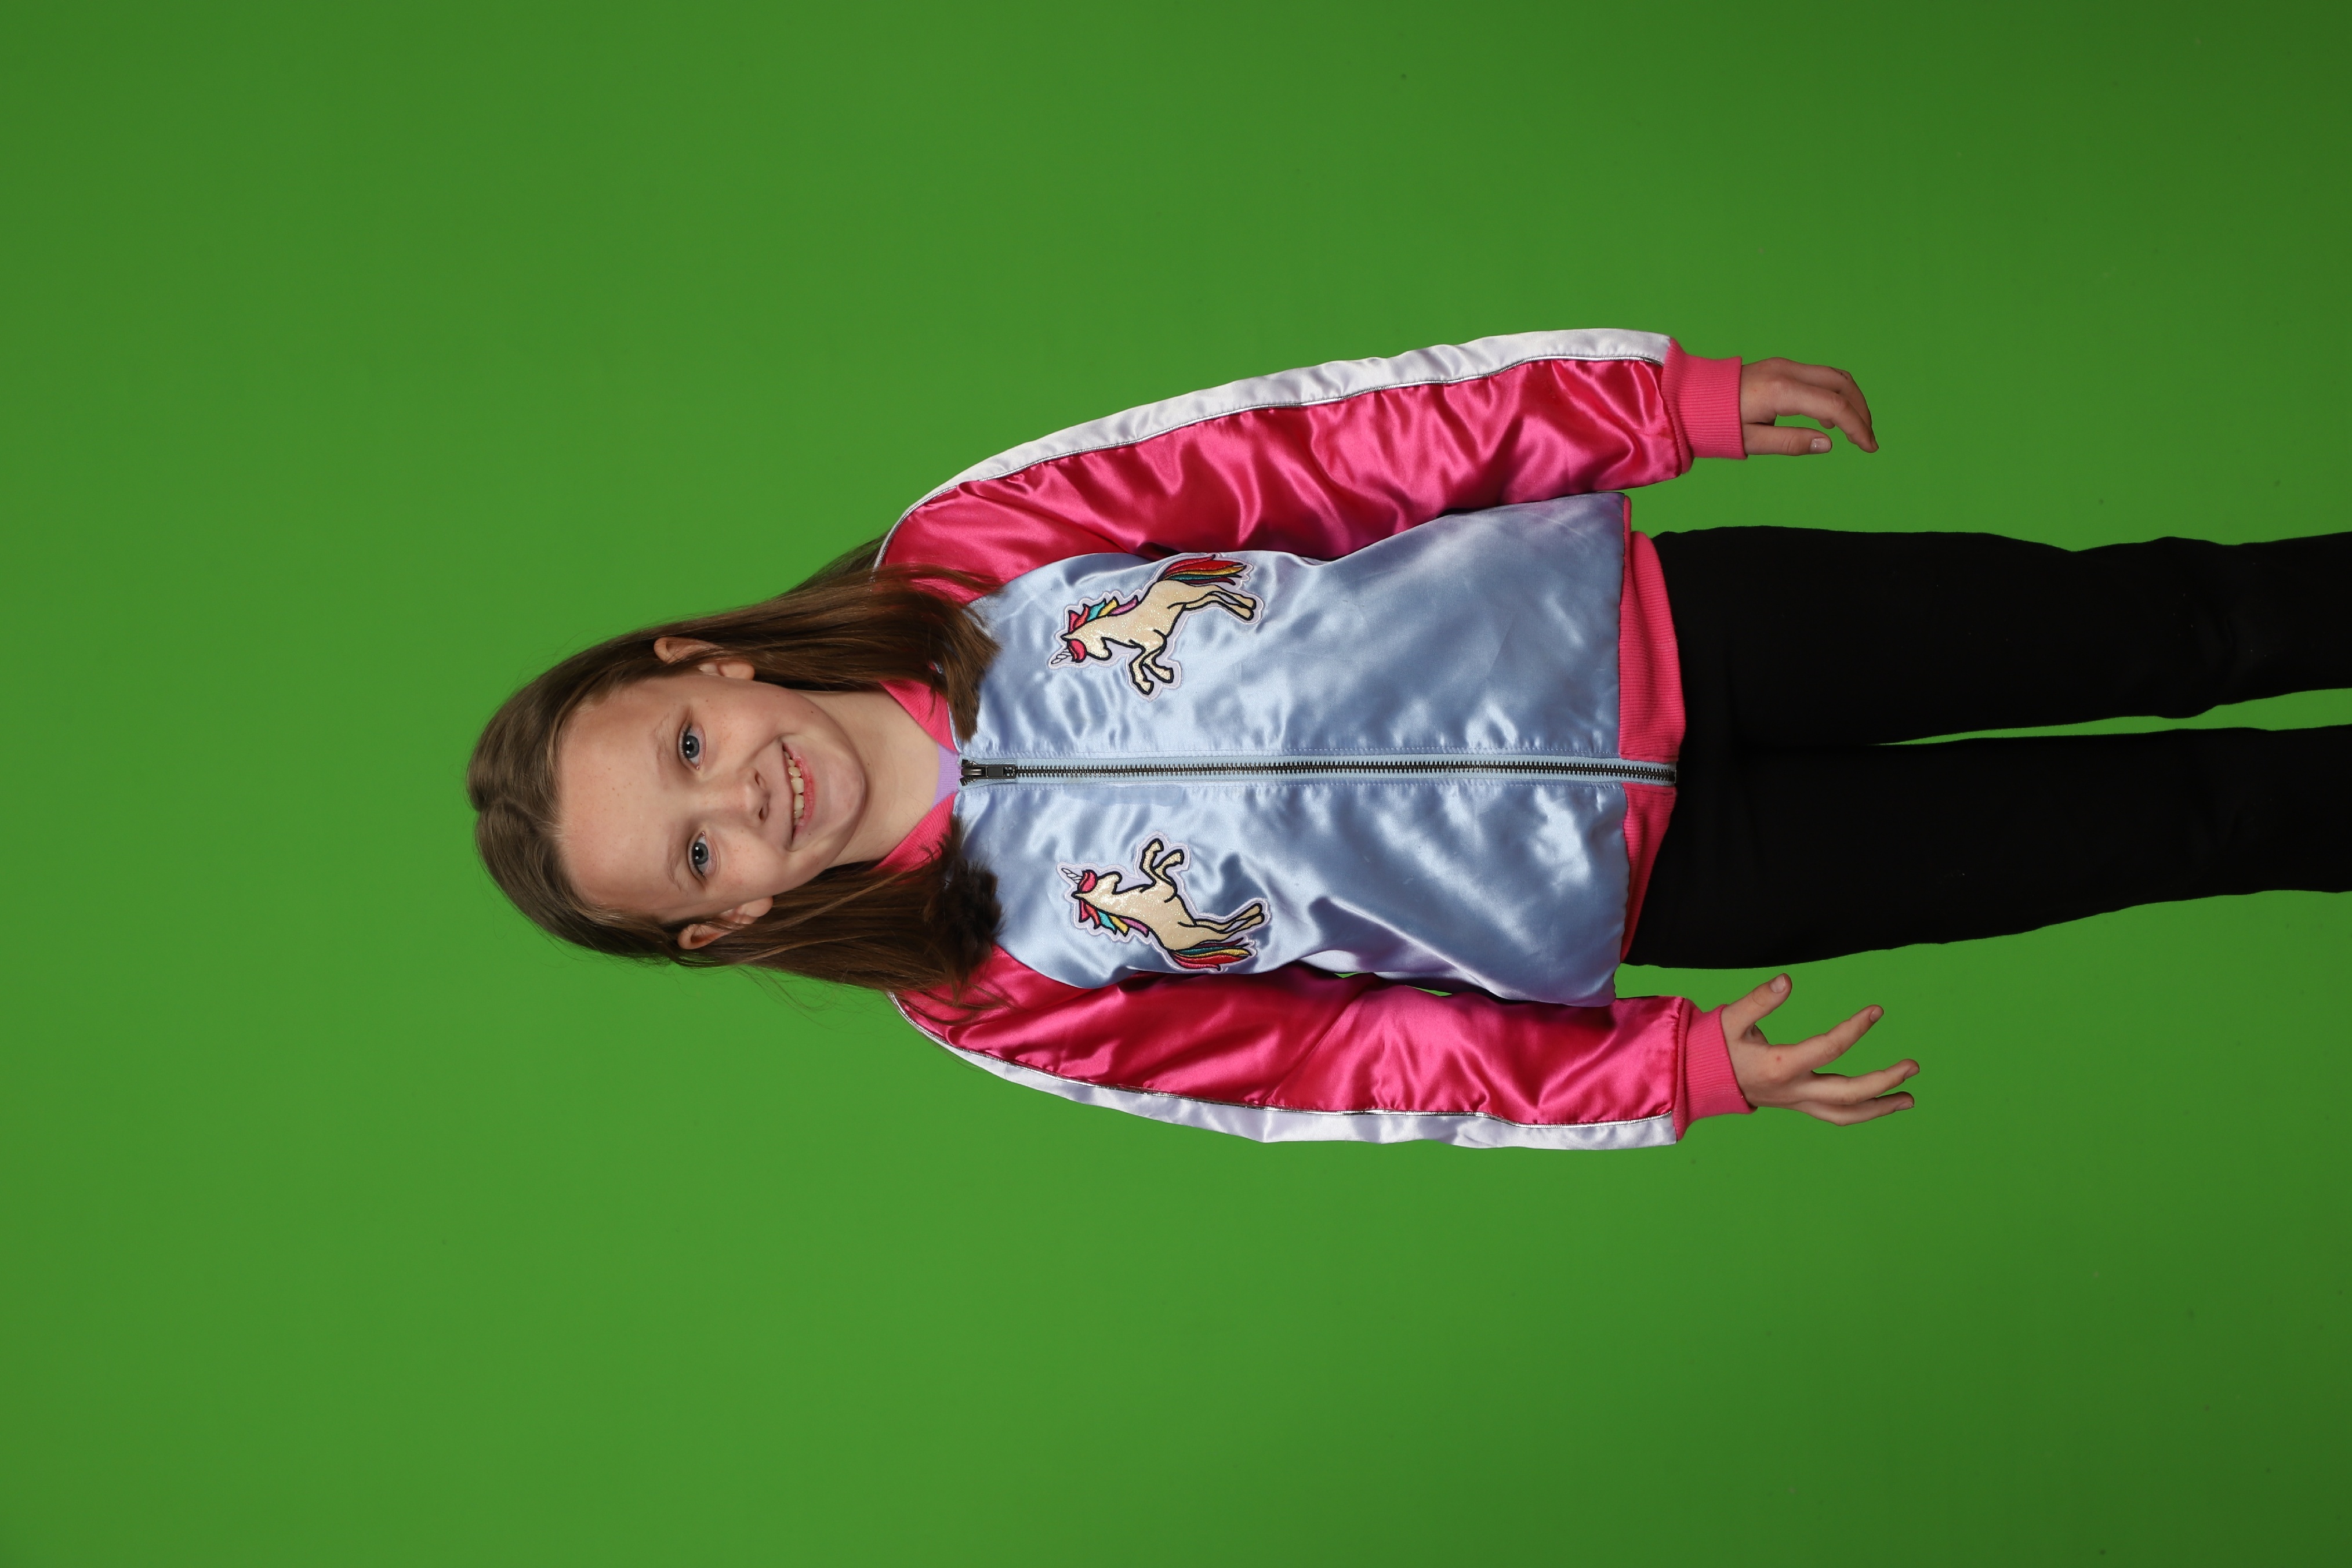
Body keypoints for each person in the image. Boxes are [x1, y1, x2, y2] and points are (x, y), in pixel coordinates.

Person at [469, 330, 2352, 1149]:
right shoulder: (990, 990)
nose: (744, 795)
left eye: (689, 745)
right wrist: (1667, 1074)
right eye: (698, 853)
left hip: (1682, 622)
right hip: (1676, 884)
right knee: (2186, 823)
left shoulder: (971, 558)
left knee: (2169, 623)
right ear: (722, 923)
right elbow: (1351, 1063)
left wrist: (1654, 406)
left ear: (703, 659)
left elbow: (1320, 448)